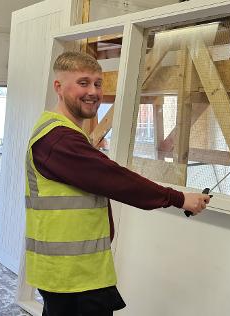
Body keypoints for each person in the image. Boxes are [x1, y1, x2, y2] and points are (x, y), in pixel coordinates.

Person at [25, 51, 210, 316]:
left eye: (98, 83)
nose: (93, 91)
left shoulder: (61, 132)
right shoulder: (59, 139)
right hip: (73, 276)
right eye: (83, 82)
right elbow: (116, 180)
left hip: (70, 273)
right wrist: (179, 198)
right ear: (58, 86)